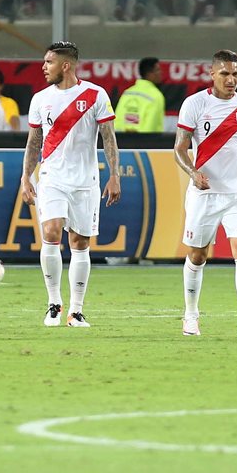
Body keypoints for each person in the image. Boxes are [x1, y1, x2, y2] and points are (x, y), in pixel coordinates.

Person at [20, 41, 120, 328]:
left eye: (49, 62)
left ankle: (76, 311)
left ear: (66, 66)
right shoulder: (40, 99)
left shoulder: (95, 95)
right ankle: (54, 304)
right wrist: (26, 176)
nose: (43, 67)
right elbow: (34, 141)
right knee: (51, 232)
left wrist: (114, 175)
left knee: (79, 242)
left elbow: (108, 137)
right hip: (52, 176)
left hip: (85, 179)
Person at [172, 48, 237, 338]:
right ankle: (190, 315)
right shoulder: (195, 104)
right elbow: (179, 148)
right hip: (205, 193)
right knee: (198, 255)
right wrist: (193, 173)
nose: (231, 79)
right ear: (211, 73)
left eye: (236, 74)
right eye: (225, 73)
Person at [113, 57, 166, 132]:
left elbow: (117, 122)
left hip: (122, 142)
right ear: (149, 73)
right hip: (143, 142)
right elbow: (151, 128)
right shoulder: (156, 96)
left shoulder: (127, 93)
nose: (161, 73)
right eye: (157, 70)